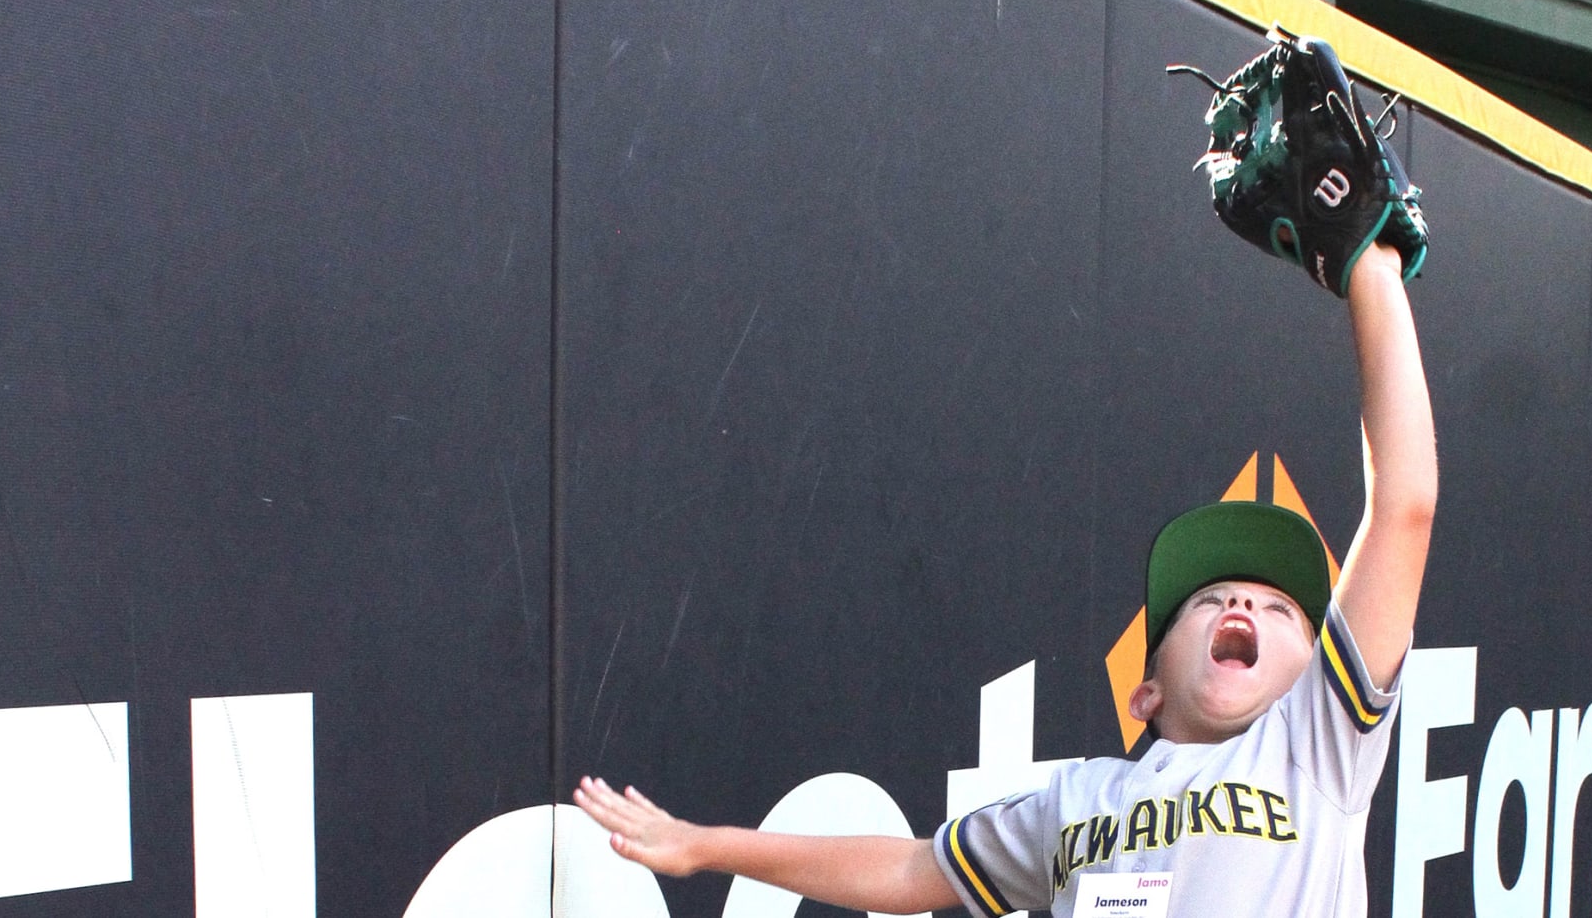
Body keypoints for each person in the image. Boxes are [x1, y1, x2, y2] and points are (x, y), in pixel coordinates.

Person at [574, 235, 1436, 917]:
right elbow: (912, 868)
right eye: (1207, 599)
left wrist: (1367, 266)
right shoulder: (1078, 798)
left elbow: (1404, 505)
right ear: (1143, 693)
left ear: (1317, 675)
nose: (1242, 601)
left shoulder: (1312, 745)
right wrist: (707, 846)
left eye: (1283, 608)